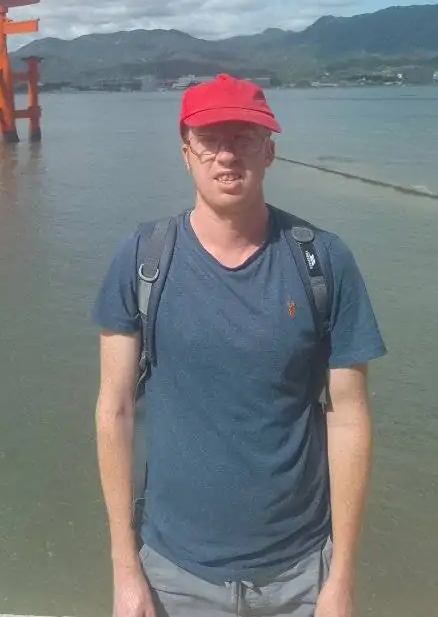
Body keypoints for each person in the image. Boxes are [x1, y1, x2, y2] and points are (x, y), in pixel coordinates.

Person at [93, 73, 386, 617]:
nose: (227, 156)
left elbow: (349, 419)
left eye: (244, 138)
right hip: (172, 571)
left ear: (269, 152)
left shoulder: (324, 261)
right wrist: (125, 570)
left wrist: (341, 578)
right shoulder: (141, 259)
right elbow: (114, 411)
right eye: (210, 140)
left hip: (301, 571)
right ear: (186, 153)